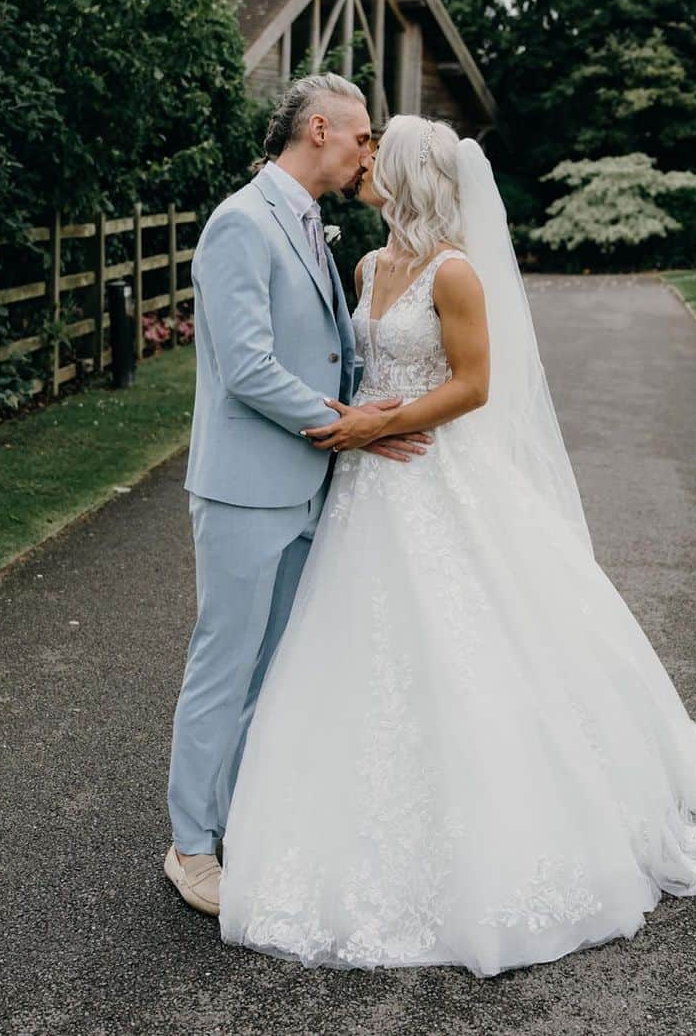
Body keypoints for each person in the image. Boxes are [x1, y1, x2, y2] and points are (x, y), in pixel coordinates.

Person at [216, 115, 696, 976]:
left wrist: (371, 424)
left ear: (407, 176)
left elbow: (472, 385)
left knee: (467, 643)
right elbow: (352, 366)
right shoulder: (365, 265)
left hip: (433, 476)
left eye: (375, 159)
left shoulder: (455, 273)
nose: (363, 166)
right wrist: (348, 423)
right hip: (365, 492)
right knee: (352, 652)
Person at [164, 75, 434, 916]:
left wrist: (376, 404)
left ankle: (242, 818)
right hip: (247, 489)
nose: (368, 153)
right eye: (361, 136)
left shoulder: (312, 225)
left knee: (271, 669)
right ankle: (189, 846)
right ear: (319, 128)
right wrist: (347, 422)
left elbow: (322, 350)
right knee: (223, 665)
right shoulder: (240, 223)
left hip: (308, 486)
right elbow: (246, 368)